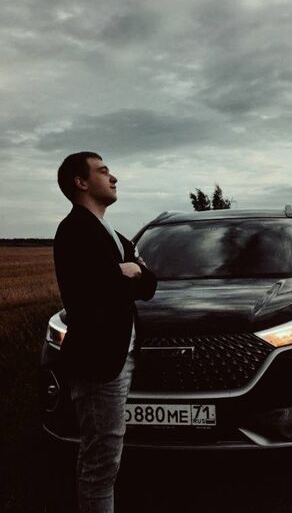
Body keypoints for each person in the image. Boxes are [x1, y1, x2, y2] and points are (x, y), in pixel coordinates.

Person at [53, 151, 157, 513]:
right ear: (81, 182)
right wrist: (124, 272)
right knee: (100, 463)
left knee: (105, 458)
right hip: (98, 365)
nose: (113, 178)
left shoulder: (113, 234)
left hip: (120, 359)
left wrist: (131, 272)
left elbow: (150, 284)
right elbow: (99, 292)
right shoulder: (74, 231)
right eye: (103, 171)